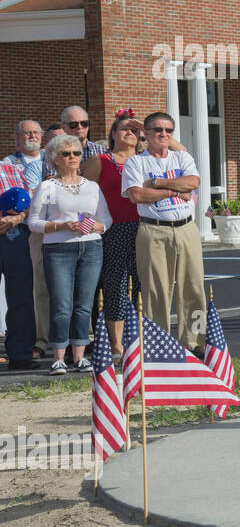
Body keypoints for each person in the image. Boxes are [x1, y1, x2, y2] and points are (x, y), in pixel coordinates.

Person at [121, 112, 205, 352]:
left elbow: (192, 183)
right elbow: (137, 195)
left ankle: (195, 341)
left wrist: (157, 184)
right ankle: (158, 343)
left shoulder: (182, 157)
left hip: (187, 228)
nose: (163, 134)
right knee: (156, 290)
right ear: (145, 134)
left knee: (194, 287)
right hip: (153, 230)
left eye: (168, 130)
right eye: (157, 129)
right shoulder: (136, 162)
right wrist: (174, 191)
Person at [29, 134, 111, 374]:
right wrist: (62, 226)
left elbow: (106, 217)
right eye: (66, 154)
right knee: (62, 304)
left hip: (91, 246)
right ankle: (58, 357)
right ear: (55, 158)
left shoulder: (92, 186)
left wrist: (99, 227)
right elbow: (34, 222)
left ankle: (79, 356)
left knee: (85, 304)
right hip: (58, 249)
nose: (73, 158)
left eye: (76, 153)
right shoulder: (48, 186)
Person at [83, 111, 144, 357]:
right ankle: (116, 345)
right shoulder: (101, 161)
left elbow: (178, 150)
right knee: (115, 285)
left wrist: (144, 126)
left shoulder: (146, 159)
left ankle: (141, 338)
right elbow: (83, 197)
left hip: (145, 227)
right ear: (113, 134)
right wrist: (89, 228)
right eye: (123, 129)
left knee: (142, 284)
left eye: (133, 130)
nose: (129, 133)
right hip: (113, 230)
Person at [7, 120, 48, 360]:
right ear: (16, 137)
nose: (32, 136)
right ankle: (34, 340)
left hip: (53, 230)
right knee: (30, 288)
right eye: (26, 133)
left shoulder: (52, 158)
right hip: (22, 231)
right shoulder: (7, 165)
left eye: (36, 132)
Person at [0, 155, 36, 370]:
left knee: (21, 297)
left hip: (15, 237)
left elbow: (31, 204)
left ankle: (20, 355)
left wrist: (18, 217)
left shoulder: (13, 169)